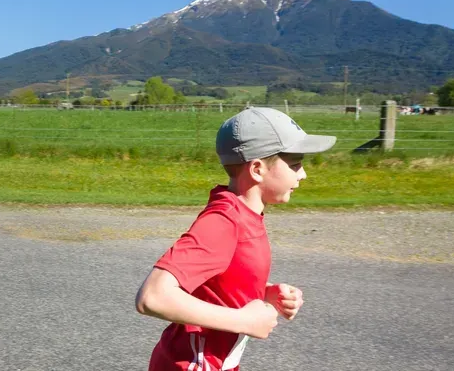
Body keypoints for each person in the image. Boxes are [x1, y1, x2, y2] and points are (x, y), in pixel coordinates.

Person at [135, 106, 337, 371]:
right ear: (257, 169)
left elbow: (217, 283)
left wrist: (266, 293)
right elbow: (152, 296)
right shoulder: (223, 221)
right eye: (295, 164)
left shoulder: (245, 215)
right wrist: (244, 321)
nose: (303, 174)